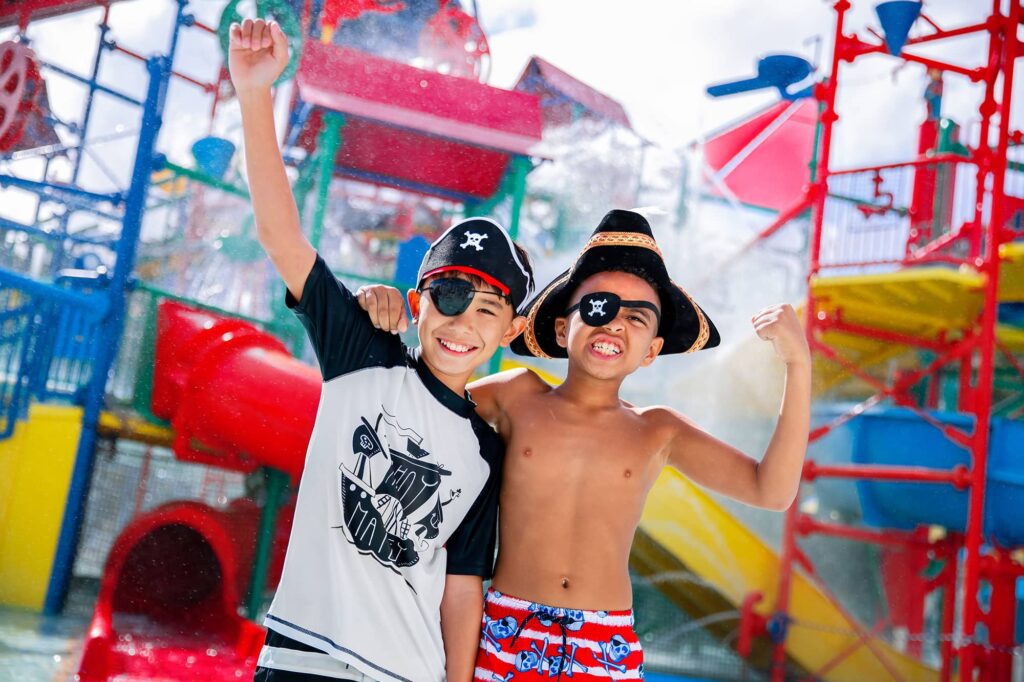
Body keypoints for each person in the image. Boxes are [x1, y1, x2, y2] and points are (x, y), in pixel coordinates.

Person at [359, 210, 811, 679]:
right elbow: (417, 402)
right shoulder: (515, 396)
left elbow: (771, 490)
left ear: (653, 350)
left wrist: (798, 366)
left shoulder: (657, 431)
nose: (615, 325)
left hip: (604, 644)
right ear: (561, 328)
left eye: (637, 318)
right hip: (506, 630)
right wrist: (378, 314)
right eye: (600, 307)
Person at [228, 18, 535, 682]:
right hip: (299, 655)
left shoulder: (485, 452)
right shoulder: (363, 357)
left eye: (488, 310)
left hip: (407, 672)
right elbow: (283, 238)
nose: (464, 324)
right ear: (419, 301)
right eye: (450, 298)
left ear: (510, 331)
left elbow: (461, 587)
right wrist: (255, 95)